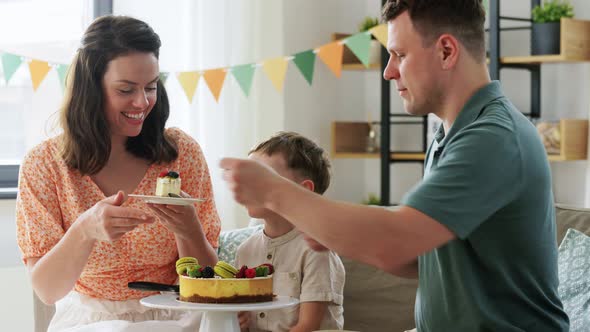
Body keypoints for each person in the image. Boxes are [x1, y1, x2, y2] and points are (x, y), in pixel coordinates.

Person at [220, 0, 570, 331]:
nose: (388, 72)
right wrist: (339, 232)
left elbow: (396, 240)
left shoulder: (492, 138)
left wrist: (272, 189)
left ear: (446, 51)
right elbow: (419, 258)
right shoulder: (450, 136)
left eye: (400, 55)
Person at [16, 15, 220, 331]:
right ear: (91, 89)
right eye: (126, 89)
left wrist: (189, 230)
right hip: (92, 321)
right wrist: (84, 230)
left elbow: (210, 282)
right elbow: (47, 290)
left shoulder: (181, 153)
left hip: (177, 317)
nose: (142, 102)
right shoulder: (44, 165)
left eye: (151, 87)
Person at [234, 132, 345, 332]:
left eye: (262, 177)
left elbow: (308, 326)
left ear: (303, 191)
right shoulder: (245, 250)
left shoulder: (317, 250)